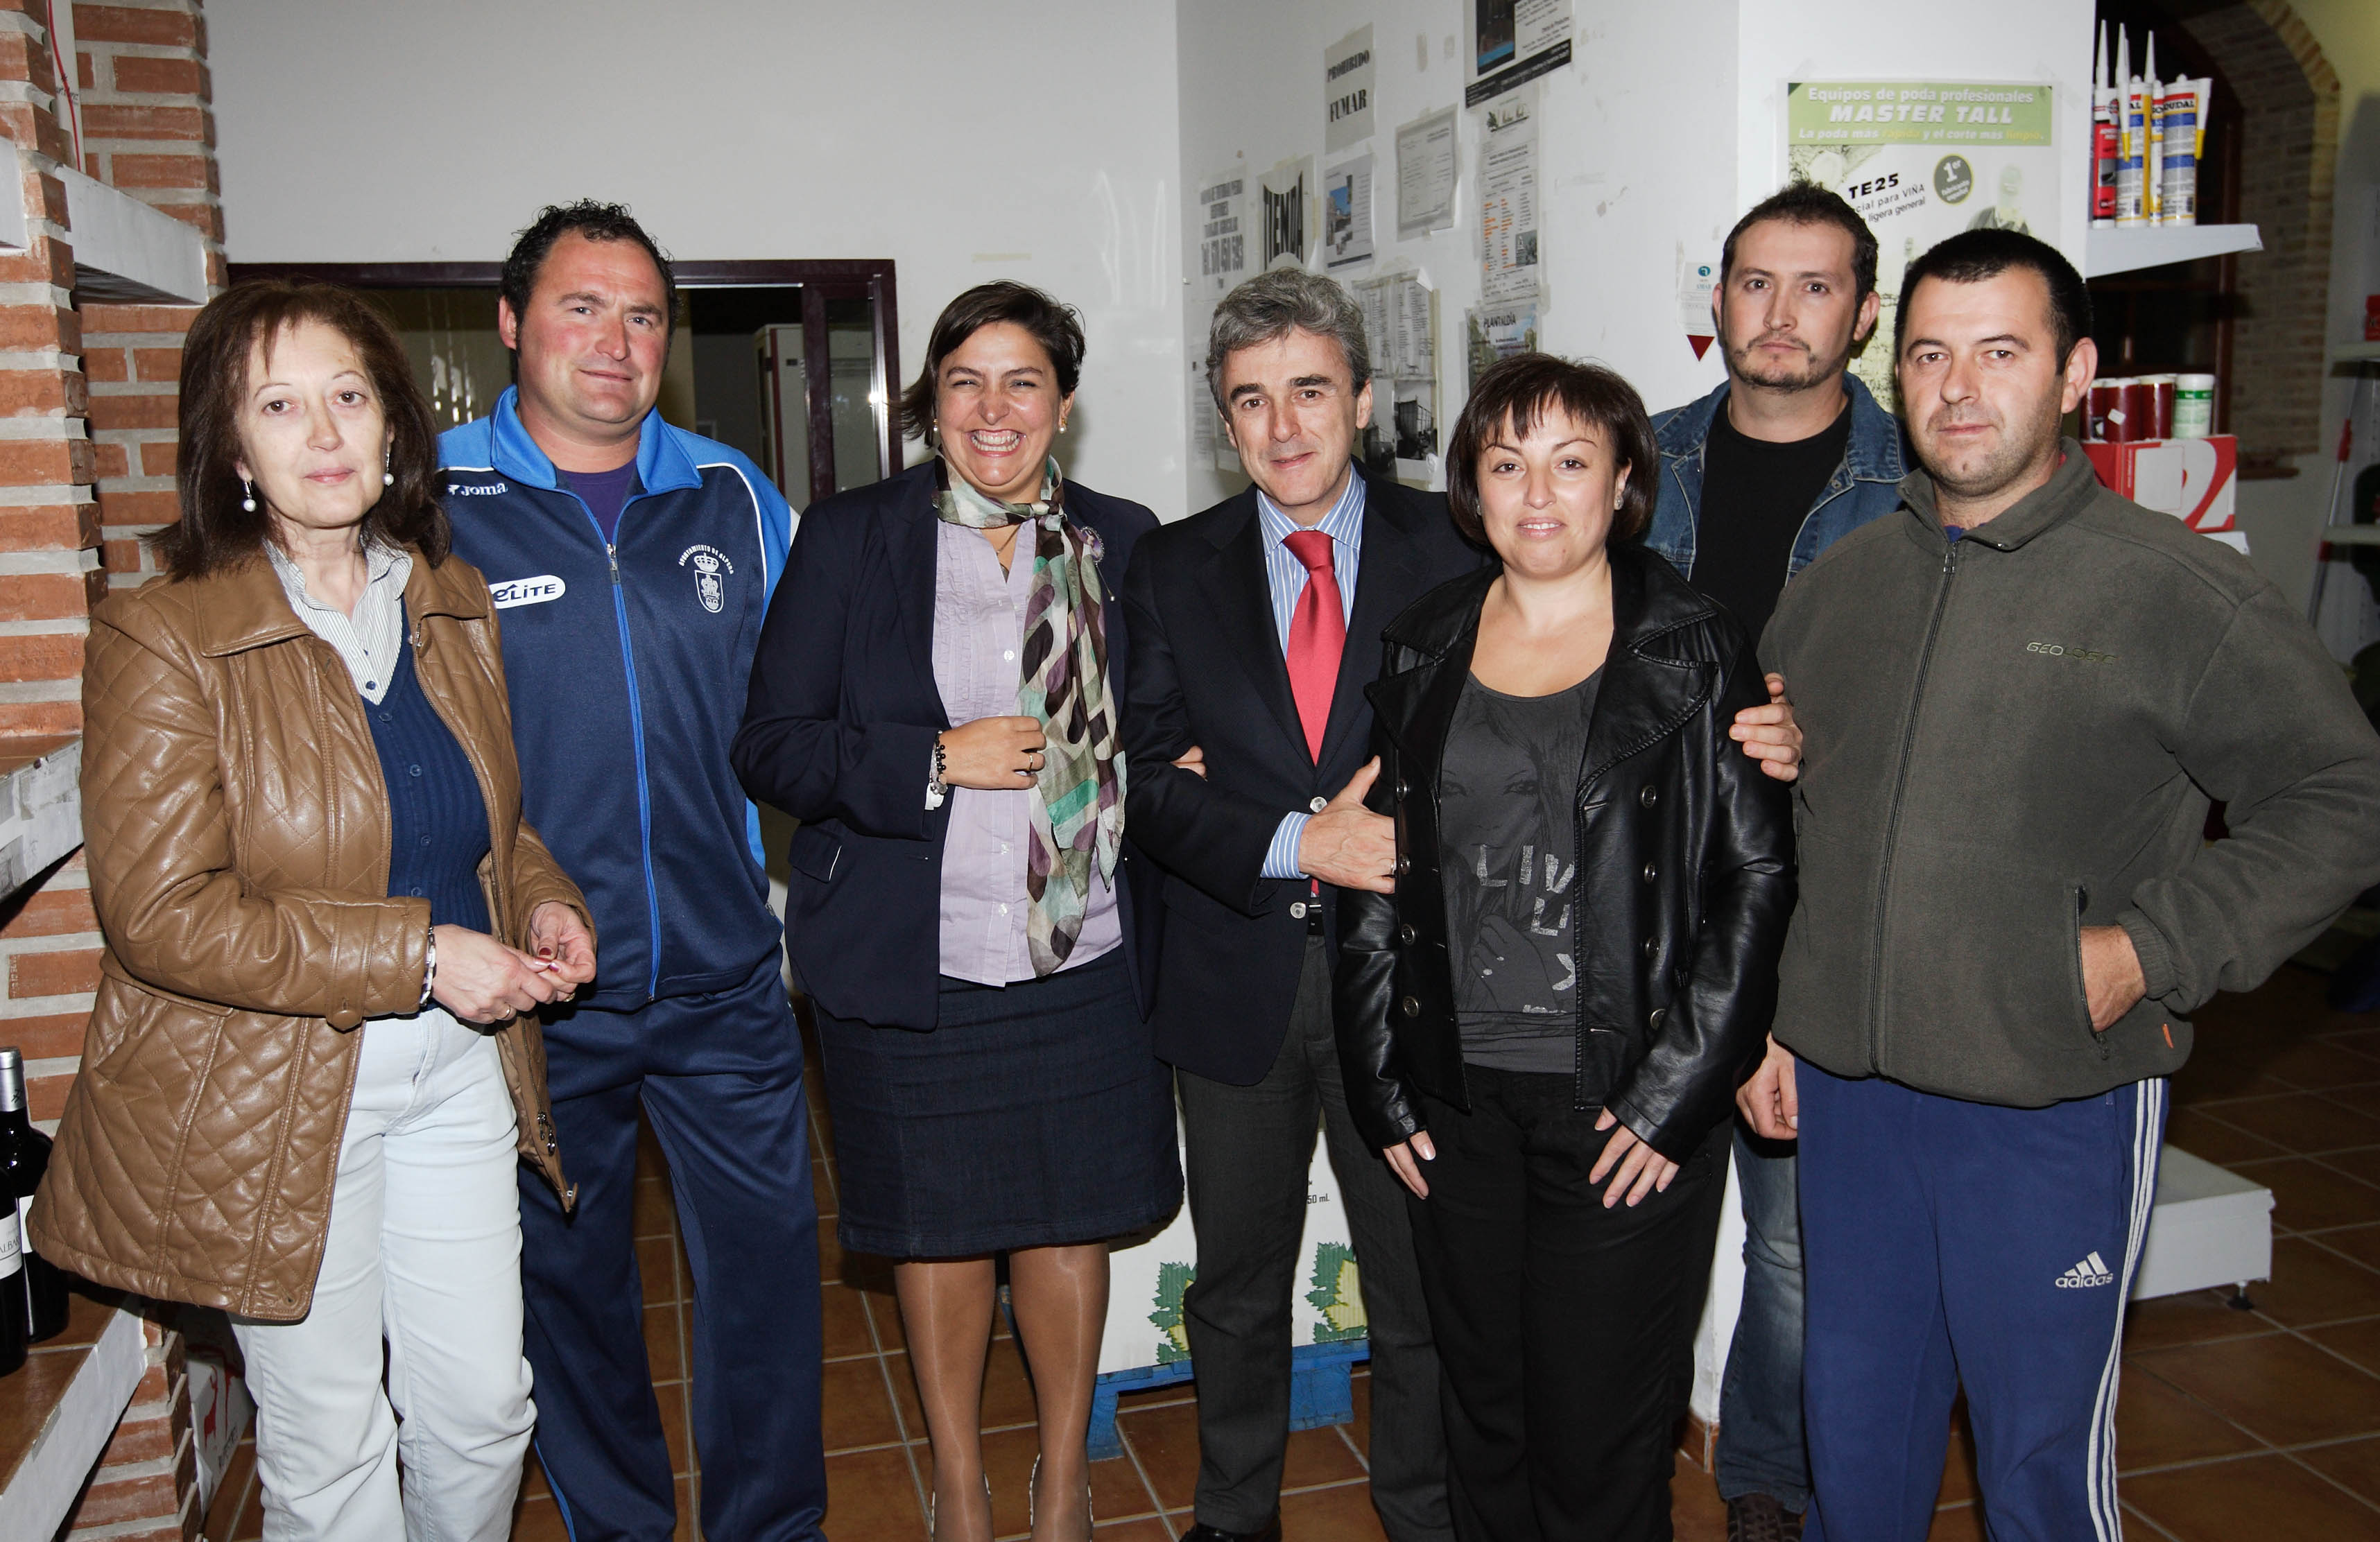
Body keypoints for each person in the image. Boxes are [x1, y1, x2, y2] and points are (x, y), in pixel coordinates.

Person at [1745, 228, 2380, 1539]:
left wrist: (2146, 949)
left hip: (2048, 1097)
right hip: (1854, 1104)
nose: (1960, 387)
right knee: (1852, 1452)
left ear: (2076, 371)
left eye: (2001, 353)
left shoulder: (2181, 591)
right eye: (1930, 354)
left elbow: (2344, 798)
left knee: (2037, 1471)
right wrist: (1780, 1011)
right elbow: (1803, 827)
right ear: (1894, 370)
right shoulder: (1834, 590)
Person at [31, 280, 597, 1539]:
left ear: (394, 426)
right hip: (282, 1091)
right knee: (336, 1447)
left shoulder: (449, 596)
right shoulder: (161, 635)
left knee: (485, 1411)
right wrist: (420, 953)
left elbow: (488, 817)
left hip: (459, 1068)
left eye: (348, 397)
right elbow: (162, 912)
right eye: (280, 406)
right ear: (232, 449)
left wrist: (544, 899)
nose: (326, 433)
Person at [733, 281, 1179, 1542]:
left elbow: (1165, 718)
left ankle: (1062, 1484)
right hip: (909, 953)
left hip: (1080, 949)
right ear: (931, 402)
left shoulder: (1124, 540)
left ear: (1064, 403)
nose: (994, 409)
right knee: (935, 1230)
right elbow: (770, 744)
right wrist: (930, 760)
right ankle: (963, 1488)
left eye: (1022, 381)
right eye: (966, 383)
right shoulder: (852, 535)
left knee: (1065, 1217)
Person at [1336, 352, 1795, 1541]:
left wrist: (1673, 1099)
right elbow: (1371, 872)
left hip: (1621, 1105)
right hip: (1457, 1104)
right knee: (1481, 1419)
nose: (1538, 493)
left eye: (1571, 462)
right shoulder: (1423, 641)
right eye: (1507, 463)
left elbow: (1754, 873)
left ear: (1622, 482)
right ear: (1473, 490)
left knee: (1600, 1439)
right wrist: (1383, 1086)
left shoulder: (1693, 642)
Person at [436, 202, 823, 1541]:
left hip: (726, 988)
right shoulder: (429, 506)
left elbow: (814, 710)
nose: (617, 340)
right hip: (538, 1003)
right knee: (575, 1300)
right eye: (582, 307)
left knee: (769, 1295)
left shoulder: (735, 498)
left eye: (645, 313)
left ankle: (772, 1529)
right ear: (511, 323)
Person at [1118, 267, 1478, 1542]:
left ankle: (1423, 1513)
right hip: (1233, 982)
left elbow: (1509, 749)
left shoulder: (1461, 547)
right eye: (1251, 401)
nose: (1282, 428)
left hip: (1413, 987)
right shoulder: (1167, 569)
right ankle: (1232, 1513)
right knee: (1236, 1284)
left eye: (1309, 392)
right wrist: (1293, 837)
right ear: (1227, 422)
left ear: (1365, 401)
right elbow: (1141, 787)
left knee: (1417, 1286)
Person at [1645, 180, 1906, 1542]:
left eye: (1817, 287)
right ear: (1719, 299)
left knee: (1799, 1243)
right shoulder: (1636, 462)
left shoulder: (1922, 483)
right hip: (1653, 901)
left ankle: (1766, 1480)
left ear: (1863, 312)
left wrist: (1832, 741)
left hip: (1826, 909)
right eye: (1756, 281)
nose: (1783, 312)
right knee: (1628, 1219)